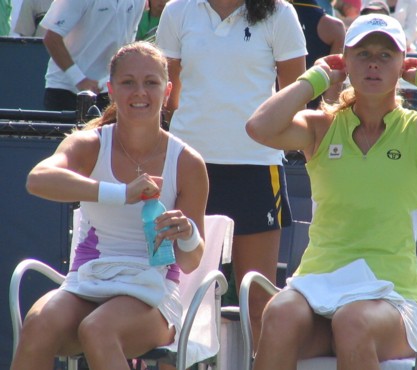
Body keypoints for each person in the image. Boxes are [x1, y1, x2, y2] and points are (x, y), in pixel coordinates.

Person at [245, 13, 417, 370]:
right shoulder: (322, 126)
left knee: (353, 322)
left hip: (390, 301)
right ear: (345, 62)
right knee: (279, 313)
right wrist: (315, 77)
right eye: (363, 54)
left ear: (402, 63)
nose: (374, 63)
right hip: (316, 290)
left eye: (385, 55)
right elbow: (259, 127)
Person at [9, 41, 209, 370]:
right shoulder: (89, 144)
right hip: (88, 281)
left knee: (98, 330)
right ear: (111, 89)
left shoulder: (188, 162)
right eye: (128, 82)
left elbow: (190, 262)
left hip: (154, 291)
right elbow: (37, 179)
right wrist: (120, 192)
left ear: (168, 89)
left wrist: (186, 234)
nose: (139, 92)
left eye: (151, 82)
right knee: (38, 325)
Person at [156, 0, 306, 349]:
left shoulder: (280, 13)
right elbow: (167, 94)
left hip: (257, 168)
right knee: (174, 302)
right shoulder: (177, 11)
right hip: (188, 168)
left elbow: (296, 96)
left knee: (258, 304)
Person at [40, 0, 145, 112]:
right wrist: (79, 79)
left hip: (108, 91)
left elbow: (127, 42)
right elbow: (52, 38)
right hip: (65, 90)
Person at [293, 0, 346, 108]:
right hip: (312, 118)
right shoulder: (335, 28)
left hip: (270, 113)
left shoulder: (267, 19)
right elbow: (330, 100)